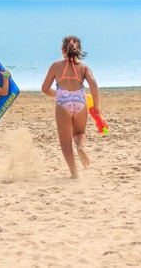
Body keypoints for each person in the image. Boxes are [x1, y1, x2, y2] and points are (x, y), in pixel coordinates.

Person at [41, 35, 101, 179]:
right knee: (79, 133)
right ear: (78, 50)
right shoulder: (84, 67)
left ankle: (74, 173)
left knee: (65, 140)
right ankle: (80, 147)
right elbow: (93, 84)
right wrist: (96, 107)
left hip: (63, 101)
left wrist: (60, 94)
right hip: (80, 100)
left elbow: (44, 88)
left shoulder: (56, 66)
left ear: (63, 50)